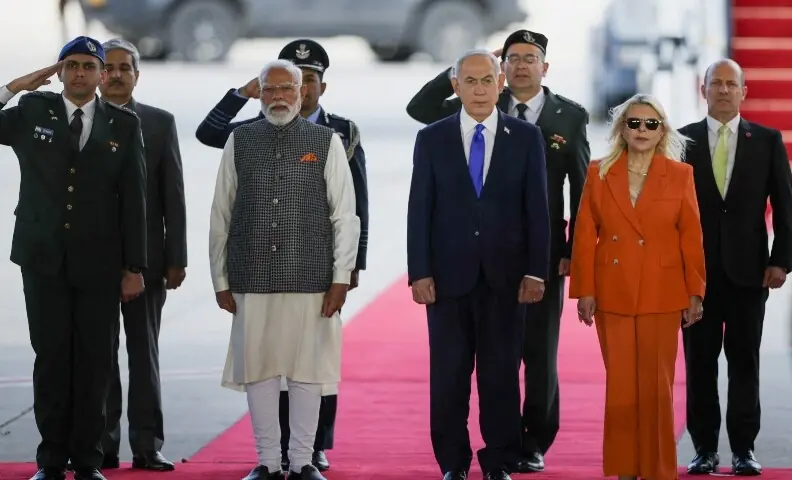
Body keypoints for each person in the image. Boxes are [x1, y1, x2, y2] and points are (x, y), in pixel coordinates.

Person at [406, 30, 589, 472]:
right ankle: (452, 459)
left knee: (507, 372)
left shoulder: (536, 131)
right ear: (459, 84)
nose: (481, 87)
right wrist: (419, 271)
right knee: (449, 376)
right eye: (471, 79)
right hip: (451, 274)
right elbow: (419, 209)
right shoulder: (437, 134)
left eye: (487, 79)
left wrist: (557, 260)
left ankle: (510, 454)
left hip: (515, 269)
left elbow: (551, 204)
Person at [196, 39, 368, 470]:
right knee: (260, 373)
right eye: (268, 89)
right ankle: (269, 463)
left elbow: (346, 215)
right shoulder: (240, 139)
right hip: (251, 277)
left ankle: (304, 461)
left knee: (309, 373)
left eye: (287, 89)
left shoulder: (328, 140)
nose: (278, 97)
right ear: (258, 91)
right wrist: (220, 279)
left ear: (303, 93)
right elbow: (221, 213)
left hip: (312, 279)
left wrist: (342, 275)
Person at [0, 36, 147, 480]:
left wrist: (134, 267)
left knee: (95, 361)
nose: (80, 73)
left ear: (103, 74)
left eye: (88, 65)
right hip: (42, 258)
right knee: (50, 358)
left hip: (100, 264)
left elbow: (134, 200)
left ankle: (87, 460)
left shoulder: (123, 124)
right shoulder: (31, 113)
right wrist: (13, 88)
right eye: (72, 65)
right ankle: (50, 460)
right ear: (60, 71)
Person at [569, 93, 705, 480]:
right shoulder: (598, 172)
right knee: (622, 387)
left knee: (658, 389)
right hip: (612, 290)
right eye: (634, 123)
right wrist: (585, 291)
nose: (642, 130)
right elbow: (583, 234)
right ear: (621, 129)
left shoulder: (680, 174)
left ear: (662, 130)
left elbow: (691, 236)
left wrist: (695, 291)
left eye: (651, 123)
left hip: (664, 291)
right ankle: (626, 468)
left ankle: (659, 469)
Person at [679, 58, 792, 476]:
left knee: (744, 362)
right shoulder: (681, 140)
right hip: (696, 277)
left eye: (732, 84)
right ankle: (704, 449)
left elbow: (785, 207)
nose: (724, 90)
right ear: (703, 89)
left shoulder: (766, 140)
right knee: (699, 365)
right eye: (717, 83)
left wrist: (781, 260)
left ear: (744, 92)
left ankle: (744, 449)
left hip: (750, 274)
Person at [97, 38, 187, 472]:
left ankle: (147, 445)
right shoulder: (78, 121)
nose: (115, 75)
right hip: (90, 263)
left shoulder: (159, 122)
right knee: (99, 356)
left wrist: (177, 259)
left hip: (149, 263)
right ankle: (102, 445)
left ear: (137, 74)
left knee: (144, 355)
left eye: (123, 68)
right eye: (107, 68)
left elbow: (174, 197)